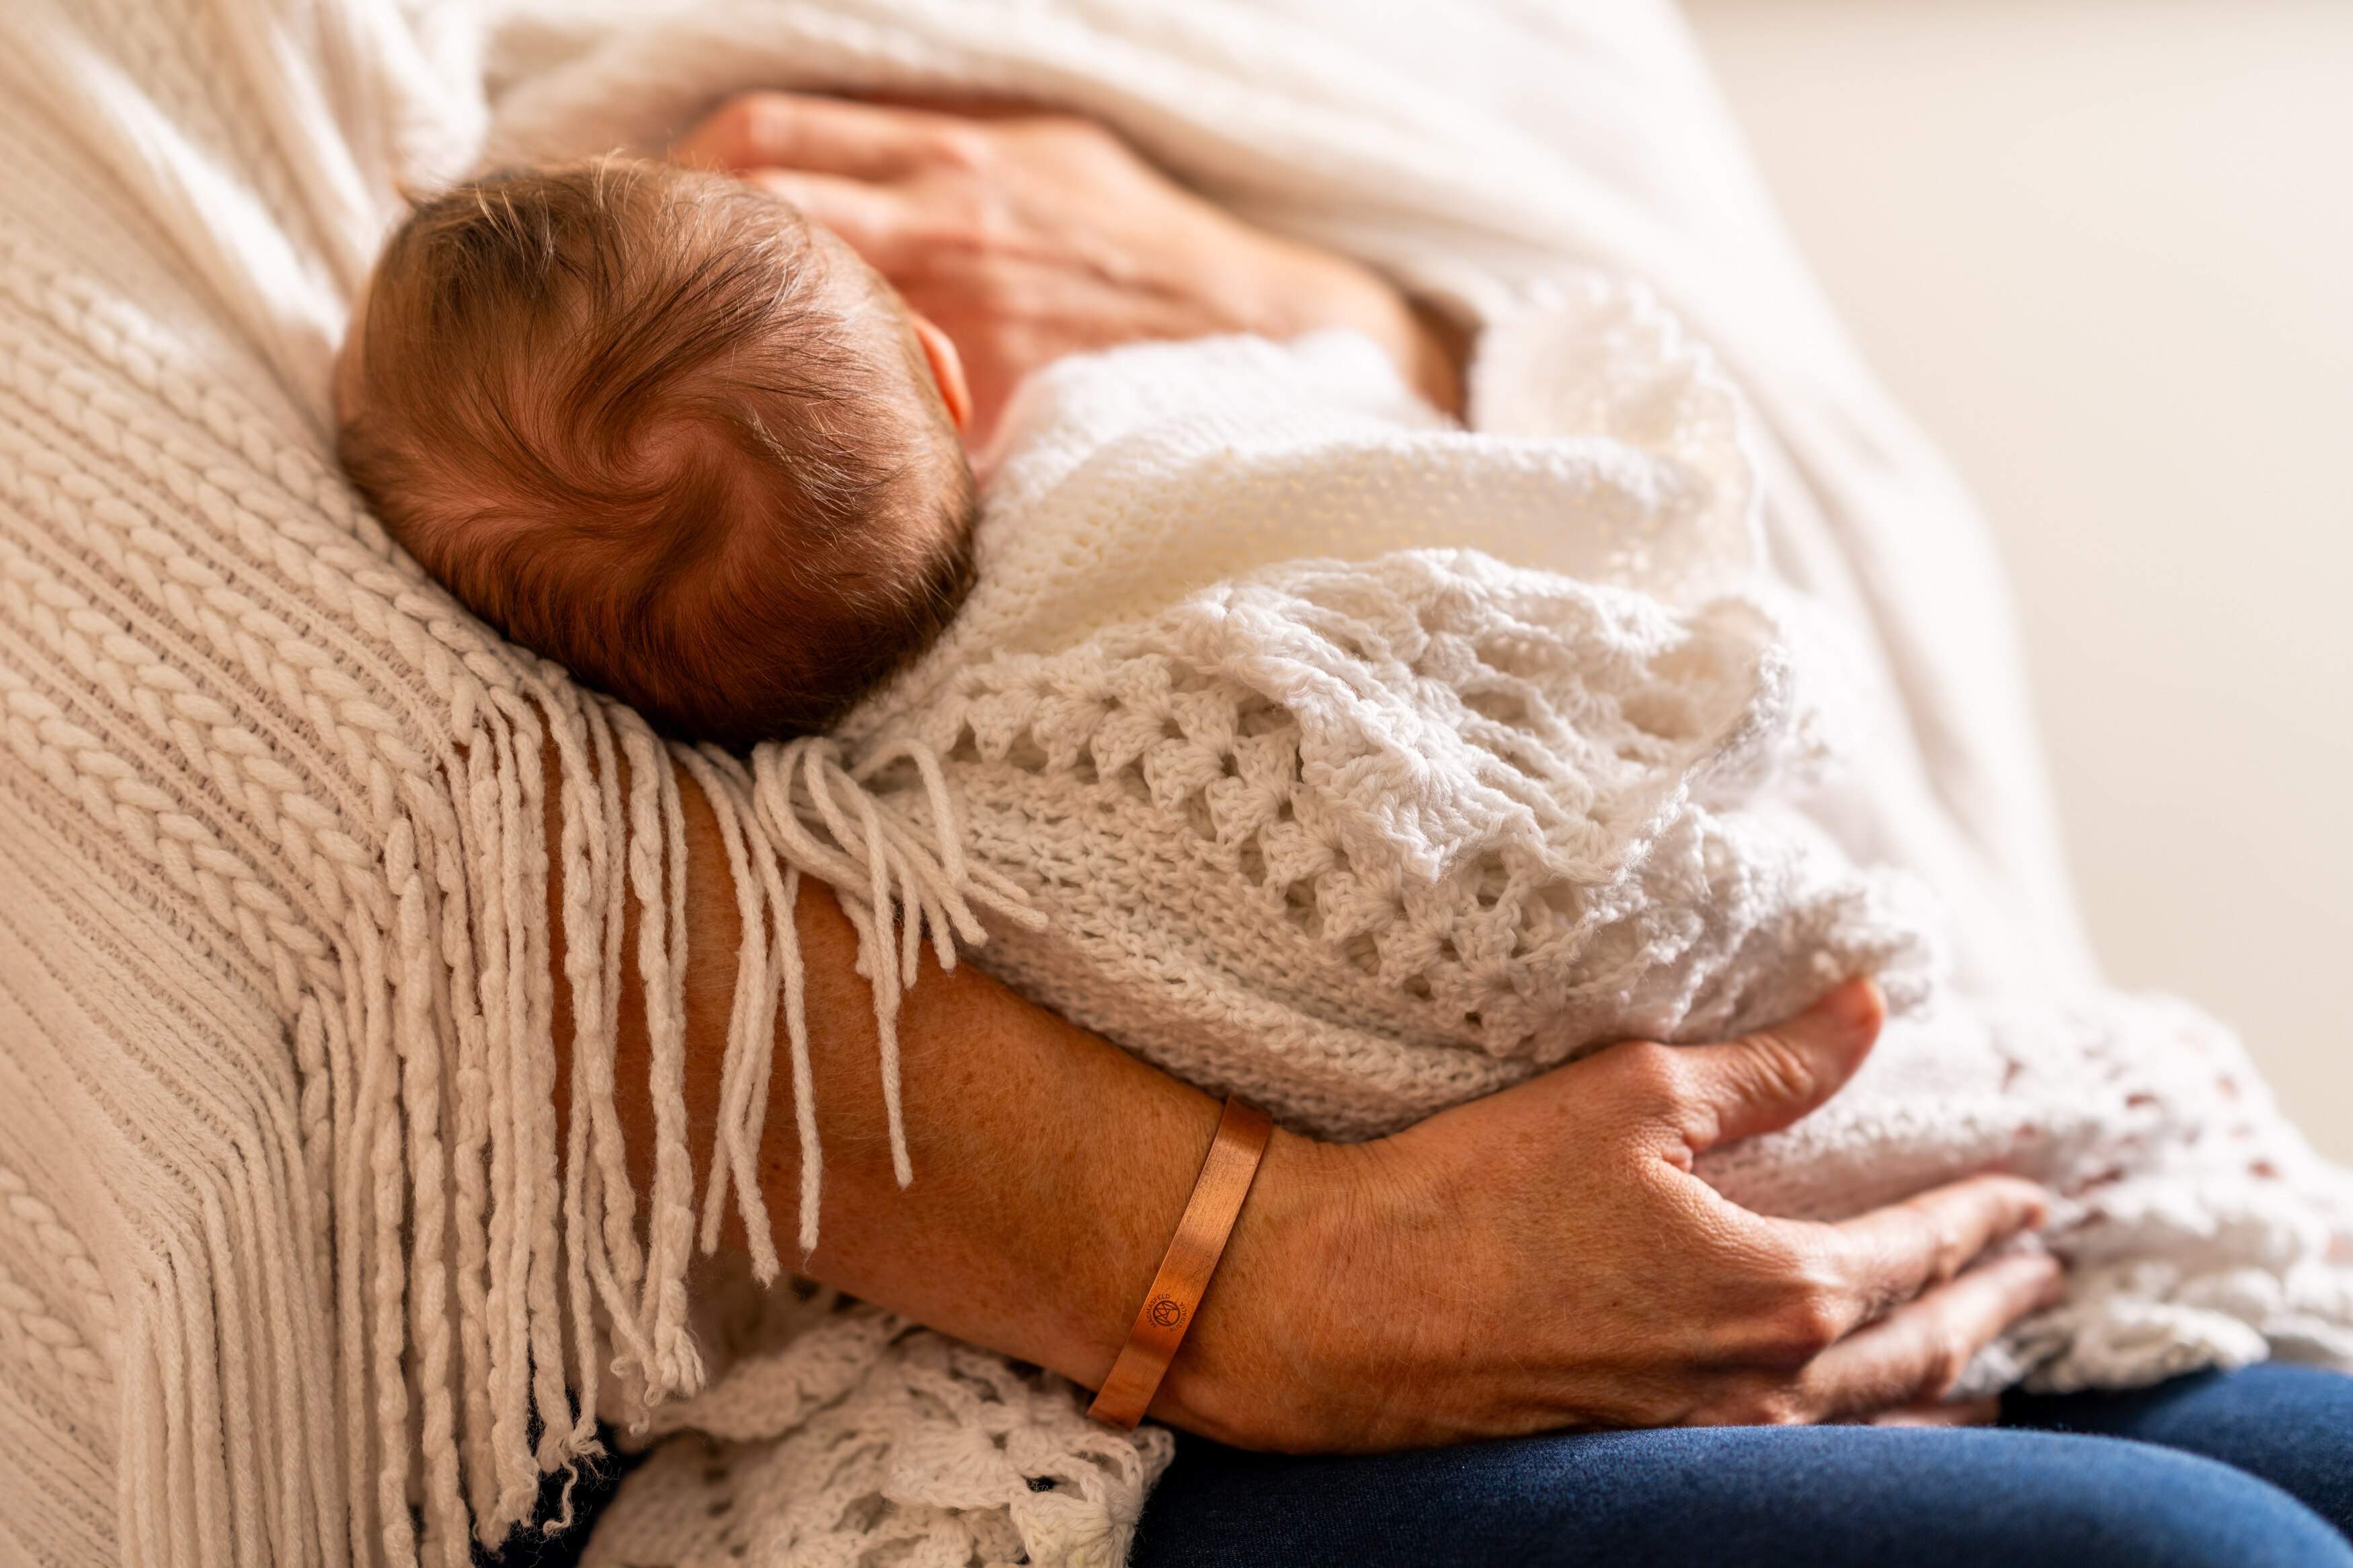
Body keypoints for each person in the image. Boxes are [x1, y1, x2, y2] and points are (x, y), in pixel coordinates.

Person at [530, 91, 2353, 1567]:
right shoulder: (1155, 487)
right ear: (939, 381)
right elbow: (1683, 581)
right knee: (2192, 1552)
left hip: (1690, 1187)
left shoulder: (872, 788)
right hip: (1157, 1327)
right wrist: (1266, 1261)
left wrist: (1330, 299)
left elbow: (1811, 448)